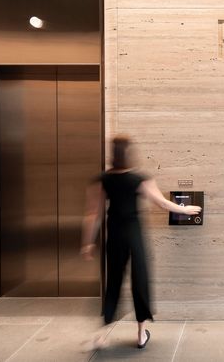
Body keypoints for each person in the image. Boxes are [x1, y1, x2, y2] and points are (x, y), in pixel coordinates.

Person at [80, 135, 201, 350]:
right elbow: (162, 203)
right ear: (129, 154)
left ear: (112, 155)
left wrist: (87, 243)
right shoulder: (139, 178)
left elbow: (93, 214)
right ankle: (140, 334)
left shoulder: (102, 179)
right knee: (140, 280)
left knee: (114, 282)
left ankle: (101, 335)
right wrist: (185, 209)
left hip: (115, 234)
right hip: (133, 233)